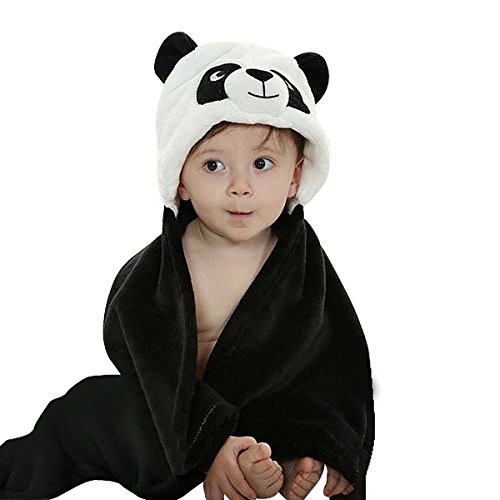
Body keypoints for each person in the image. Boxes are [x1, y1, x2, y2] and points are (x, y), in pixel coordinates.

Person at [0, 32, 374, 500]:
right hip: (172, 415)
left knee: (297, 407)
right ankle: (16, 476)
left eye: (262, 164)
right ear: (180, 177)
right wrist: (208, 438)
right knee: (81, 409)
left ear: (295, 176)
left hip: (263, 407)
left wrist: (341, 445)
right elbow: (132, 336)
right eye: (214, 166)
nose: (240, 187)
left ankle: (280, 456)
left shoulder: (298, 257)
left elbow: (339, 350)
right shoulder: (171, 261)